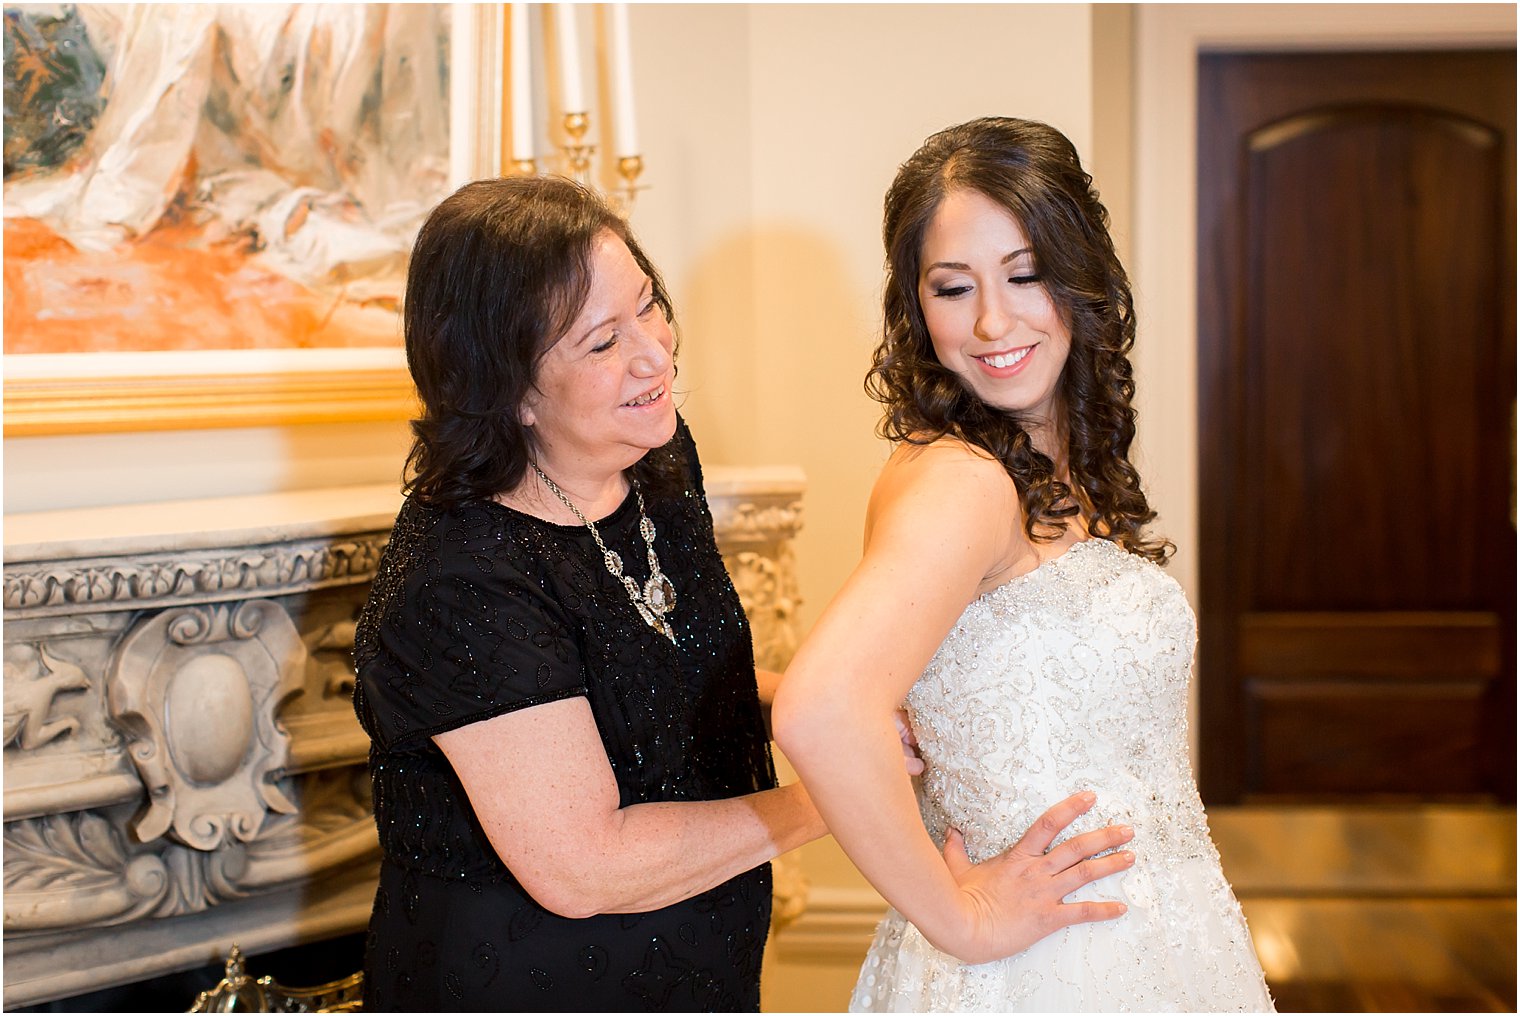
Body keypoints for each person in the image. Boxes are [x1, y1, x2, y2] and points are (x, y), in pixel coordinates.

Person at [351, 175, 1133, 1011]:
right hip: (526, 982)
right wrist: (837, 786)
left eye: (648, 305)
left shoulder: (648, 459)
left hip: (697, 964)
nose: (655, 355)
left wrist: (838, 711)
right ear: (504, 388)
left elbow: (669, 682)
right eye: (601, 342)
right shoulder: (460, 583)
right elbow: (587, 865)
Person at [773, 118, 1276, 1011]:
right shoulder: (962, 483)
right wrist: (960, 921)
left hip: (1155, 941)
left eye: (1025, 274)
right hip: (1037, 971)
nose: (993, 321)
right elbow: (820, 710)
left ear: (1079, 278)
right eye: (953, 287)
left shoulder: (1047, 472)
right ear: (915, 307)